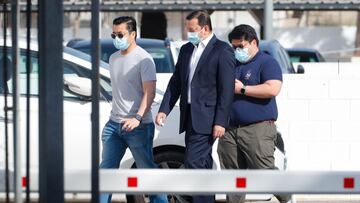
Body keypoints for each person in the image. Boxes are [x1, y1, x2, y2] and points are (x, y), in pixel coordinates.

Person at [155, 10, 236, 203]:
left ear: (205, 28)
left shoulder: (222, 50)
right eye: (187, 29)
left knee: (193, 161)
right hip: (190, 115)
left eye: (192, 29)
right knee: (203, 164)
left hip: (208, 118)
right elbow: (176, 83)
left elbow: (226, 90)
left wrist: (220, 122)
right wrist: (164, 109)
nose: (188, 33)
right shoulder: (186, 50)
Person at [217, 24, 290, 203]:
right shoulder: (230, 64)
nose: (236, 50)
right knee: (232, 178)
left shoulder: (267, 62)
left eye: (240, 46)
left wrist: (242, 89)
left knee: (264, 172)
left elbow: (273, 89)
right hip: (230, 130)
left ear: (254, 43)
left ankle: (287, 197)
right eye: (233, 47)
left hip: (257, 129)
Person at [99, 16, 168, 203]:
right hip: (114, 125)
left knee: (147, 172)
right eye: (114, 34)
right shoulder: (113, 58)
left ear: (133, 34)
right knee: (106, 172)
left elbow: (150, 92)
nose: (116, 38)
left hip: (139, 126)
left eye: (120, 34)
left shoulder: (143, 59)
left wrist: (137, 118)